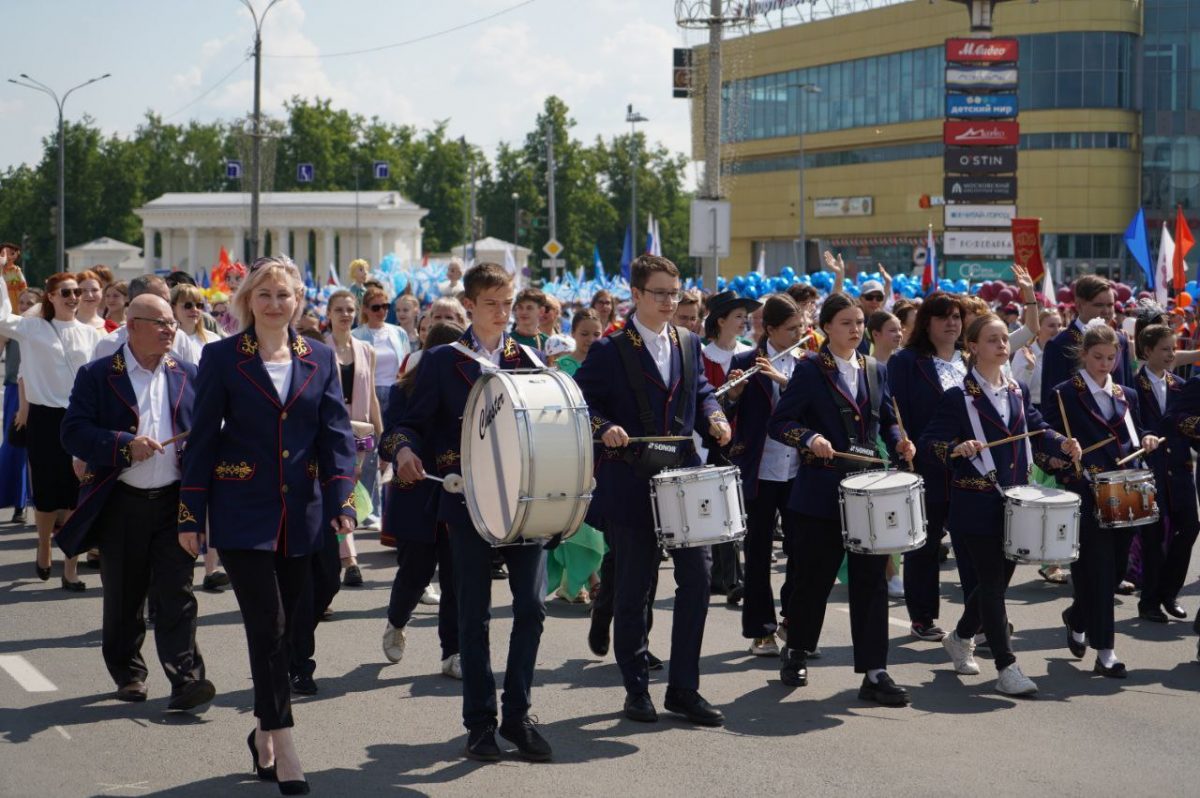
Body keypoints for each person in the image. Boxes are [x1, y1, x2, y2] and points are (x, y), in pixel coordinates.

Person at [178, 255, 356, 794]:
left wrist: (343, 499)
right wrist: (192, 512)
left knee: (290, 624)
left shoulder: (320, 357)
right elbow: (202, 436)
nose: (276, 304)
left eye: (285, 295)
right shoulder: (222, 357)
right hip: (242, 512)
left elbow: (336, 435)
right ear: (247, 302)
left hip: (301, 514)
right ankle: (285, 744)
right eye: (265, 295)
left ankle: (261, 731)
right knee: (269, 624)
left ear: (299, 300)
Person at [392, 262, 553, 763]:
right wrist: (402, 452)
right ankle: (480, 723)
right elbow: (409, 424)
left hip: (525, 501)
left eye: (510, 305)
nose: (503, 314)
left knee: (531, 608)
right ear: (469, 305)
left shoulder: (529, 355)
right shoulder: (442, 361)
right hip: (469, 501)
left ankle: (517, 713)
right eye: (492, 304)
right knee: (474, 616)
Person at [575, 253, 732, 727]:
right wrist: (605, 427)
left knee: (699, 581)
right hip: (630, 480)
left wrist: (715, 415)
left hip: (683, 479)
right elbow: (581, 403)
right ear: (637, 296)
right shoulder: (609, 349)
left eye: (676, 293)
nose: (670, 302)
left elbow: (701, 389)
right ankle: (636, 687)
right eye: (660, 293)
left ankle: (684, 688)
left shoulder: (688, 341)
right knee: (634, 589)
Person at [57, 293, 215, 709]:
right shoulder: (97, 375)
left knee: (176, 592)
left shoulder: (188, 373)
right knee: (125, 595)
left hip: (174, 503)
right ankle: (129, 673)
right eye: (161, 323)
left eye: (173, 325)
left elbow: (206, 432)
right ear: (132, 325)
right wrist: (124, 445)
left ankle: (186, 679)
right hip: (120, 501)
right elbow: (73, 432)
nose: (170, 331)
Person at [919, 314, 1080, 696]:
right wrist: (955, 448)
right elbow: (929, 442)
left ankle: (959, 637)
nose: (1002, 345)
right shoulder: (958, 396)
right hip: (974, 504)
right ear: (972, 347)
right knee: (992, 583)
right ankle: (1007, 667)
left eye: (1003, 339)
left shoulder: (1016, 390)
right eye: (992, 340)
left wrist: (1061, 444)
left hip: (1014, 503)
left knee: (995, 584)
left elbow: (1039, 430)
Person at [768, 292, 915, 705]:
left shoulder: (874, 369)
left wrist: (901, 442)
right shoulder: (811, 369)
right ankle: (796, 651)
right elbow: (782, 424)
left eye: (859, 323)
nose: (855, 330)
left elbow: (887, 420)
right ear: (827, 328)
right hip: (820, 491)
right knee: (814, 580)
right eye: (847, 323)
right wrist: (810, 438)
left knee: (870, 583)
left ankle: (875, 670)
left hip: (867, 490)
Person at [1042, 322, 1160, 678]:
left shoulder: (1128, 394)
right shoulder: (1065, 393)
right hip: (1087, 491)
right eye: (1097, 357)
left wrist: (1149, 439)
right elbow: (1045, 440)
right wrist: (1063, 452)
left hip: (1126, 489)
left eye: (1111, 358)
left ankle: (1077, 616)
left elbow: (1137, 432)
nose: (1104, 364)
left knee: (1117, 570)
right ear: (1084, 355)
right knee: (1098, 568)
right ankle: (1106, 651)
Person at [0, 270, 103, 590]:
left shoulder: (91, 335)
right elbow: (3, 318)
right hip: (44, 418)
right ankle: (43, 543)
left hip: (80, 418)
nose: (74, 298)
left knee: (76, 492)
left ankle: (70, 567)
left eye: (77, 293)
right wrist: (2, 276)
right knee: (46, 491)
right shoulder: (33, 329)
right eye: (67, 293)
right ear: (52, 297)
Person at [721, 294, 806, 657]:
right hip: (760, 470)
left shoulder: (807, 365)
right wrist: (735, 394)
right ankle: (761, 630)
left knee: (801, 550)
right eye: (791, 329)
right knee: (757, 551)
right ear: (769, 329)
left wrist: (787, 381)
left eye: (800, 327)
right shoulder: (744, 361)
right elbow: (722, 409)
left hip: (797, 470)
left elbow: (813, 410)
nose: (798, 333)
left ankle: (794, 621)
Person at [379, 322, 465, 678]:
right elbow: (391, 437)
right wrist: (404, 453)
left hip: (456, 490)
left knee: (456, 574)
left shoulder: (470, 390)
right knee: (415, 571)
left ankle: (452, 652)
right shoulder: (405, 389)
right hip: (416, 491)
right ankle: (396, 622)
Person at [887, 292, 969, 641]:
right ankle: (922, 616)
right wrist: (902, 449)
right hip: (924, 464)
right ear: (927, 323)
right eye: (942, 317)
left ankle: (980, 616)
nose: (951, 323)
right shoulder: (907, 361)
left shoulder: (969, 359)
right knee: (925, 543)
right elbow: (894, 412)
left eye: (956, 316)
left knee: (973, 545)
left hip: (970, 466)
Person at [1131, 324, 1196, 623]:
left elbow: (1187, 425)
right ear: (1147, 352)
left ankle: (1170, 593)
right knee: (1154, 538)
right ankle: (1149, 601)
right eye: (1165, 349)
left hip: (1180, 470)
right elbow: (1132, 425)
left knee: (1189, 529)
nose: (1171, 354)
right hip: (1150, 471)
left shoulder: (1182, 385)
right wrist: (1146, 435)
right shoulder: (1132, 388)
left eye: (1173, 348)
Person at [700, 290, 762, 604]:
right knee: (723, 509)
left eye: (745, 316)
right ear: (720, 320)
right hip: (715, 443)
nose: (744, 321)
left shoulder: (751, 353)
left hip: (747, 440)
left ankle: (731, 575)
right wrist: (729, 398)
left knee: (744, 510)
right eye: (738, 316)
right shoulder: (701, 356)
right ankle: (728, 577)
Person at [545, 310, 605, 604]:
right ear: (573, 334)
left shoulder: (611, 364)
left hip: (602, 450)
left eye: (596, 334)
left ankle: (579, 582)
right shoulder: (562, 368)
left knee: (599, 518)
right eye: (584, 334)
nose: (591, 340)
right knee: (574, 517)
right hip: (571, 451)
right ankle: (593, 581)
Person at [326, 290, 383, 587]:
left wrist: (381, 434)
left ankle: (342, 554)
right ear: (329, 314)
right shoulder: (317, 348)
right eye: (339, 310)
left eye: (350, 309)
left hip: (359, 432)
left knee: (351, 491)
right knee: (341, 491)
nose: (345, 315)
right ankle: (349, 558)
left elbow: (372, 396)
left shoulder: (366, 350)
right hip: (328, 432)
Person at [352, 286, 410, 530]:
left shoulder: (398, 333)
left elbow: (406, 364)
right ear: (365, 309)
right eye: (376, 307)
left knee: (393, 450)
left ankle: (391, 511)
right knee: (368, 454)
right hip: (369, 394)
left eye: (386, 306)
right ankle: (369, 511)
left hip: (395, 394)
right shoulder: (358, 334)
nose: (381, 311)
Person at [1041, 275, 1134, 407]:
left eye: (1110, 305)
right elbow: (1052, 401)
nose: (1107, 311)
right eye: (1099, 305)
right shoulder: (1060, 345)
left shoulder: (1121, 341)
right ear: (1079, 305)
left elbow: (1127, 391)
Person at [95, 275, 203, 365]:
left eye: (168, 301)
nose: (167, 307)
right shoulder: (108, 345)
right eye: (160, 300)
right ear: (137, 301)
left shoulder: (180, 340)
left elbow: (191, 383)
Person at [0, 287, 39, 524]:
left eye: (29, 303)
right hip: (15, 390)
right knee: (14, 446)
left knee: (37, 451)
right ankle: (18, 502)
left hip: (39, 393)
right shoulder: (13, 328)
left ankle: (35, 502)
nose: (24, 307)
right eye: (21, 303)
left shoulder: (41, 328)